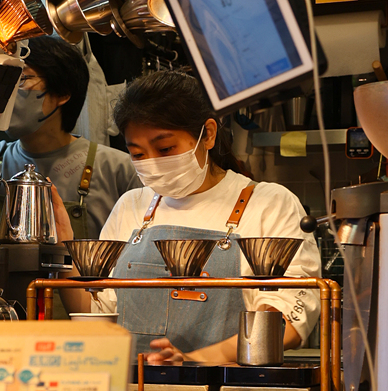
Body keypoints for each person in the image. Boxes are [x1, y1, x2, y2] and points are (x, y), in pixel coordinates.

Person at [54, 69, 322, 364]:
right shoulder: (131, 206)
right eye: (138, 154)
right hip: (132, 389)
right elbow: (98, 313)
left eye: (166, 148)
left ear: (207, 134)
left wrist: (196, 360)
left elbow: (286, 319)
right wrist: (63, 250)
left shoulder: (269, 203)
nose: (153, 163)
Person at [0, 35, 139, 241]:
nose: (7, 92)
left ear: (62, 93)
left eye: (21, 80)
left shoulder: (118, 170)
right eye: (5, 81)